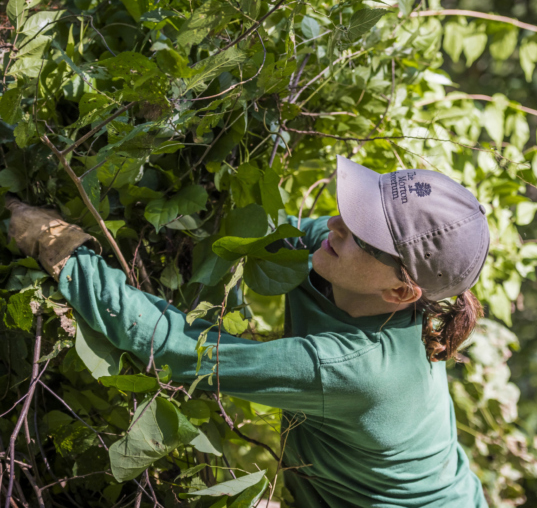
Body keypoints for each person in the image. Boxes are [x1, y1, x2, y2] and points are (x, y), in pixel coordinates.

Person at [6, 155, 491, 508]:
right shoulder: (338, 252)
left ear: (401, 293)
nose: (337, 223)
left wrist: (61, 248)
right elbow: (258, 236)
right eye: (357, 209)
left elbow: (176, 349)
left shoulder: (352, 368)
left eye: (362, 234)